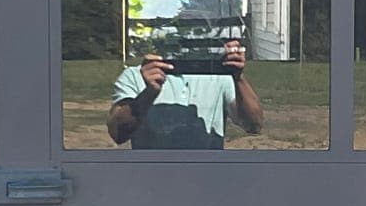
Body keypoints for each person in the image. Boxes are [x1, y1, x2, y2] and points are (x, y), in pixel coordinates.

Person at [108, 38, 263, 148]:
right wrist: (148, 93)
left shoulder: (218, 75)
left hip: (206, 176)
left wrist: (238, 78)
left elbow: (253, 125)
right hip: (151, 175)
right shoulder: (136, 76)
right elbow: (118, 133)